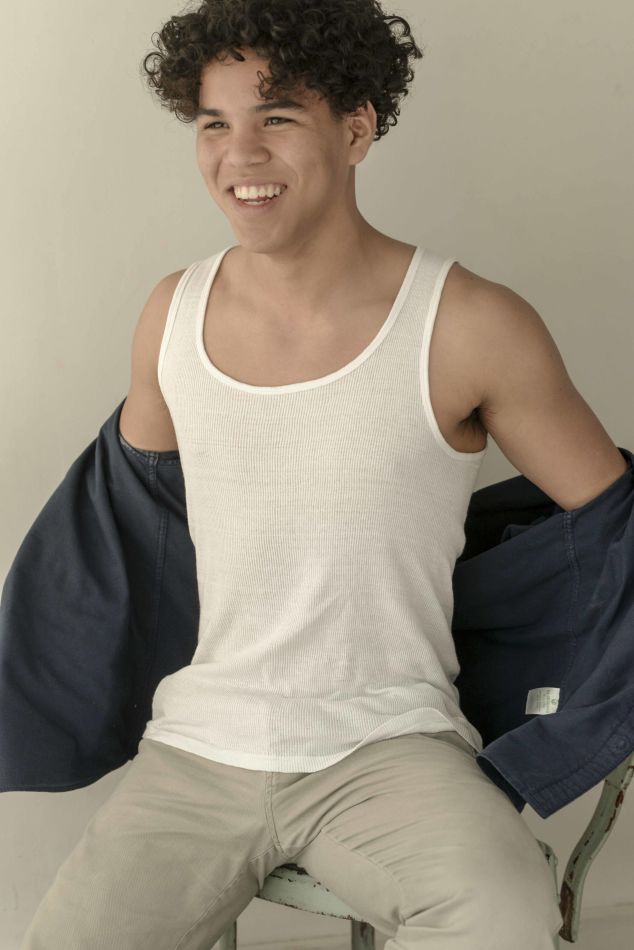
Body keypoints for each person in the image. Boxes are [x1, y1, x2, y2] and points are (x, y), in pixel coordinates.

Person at [22, 1, 625, 947]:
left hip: (390, 751)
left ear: (356, 127)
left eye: (277, 117)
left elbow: (613, 525)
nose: (239, 154)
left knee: (505, 921)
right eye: (214, 123)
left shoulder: (469, 324)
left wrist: (576, 718)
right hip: (197, 753)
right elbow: (129, 529)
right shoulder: (171, 315)